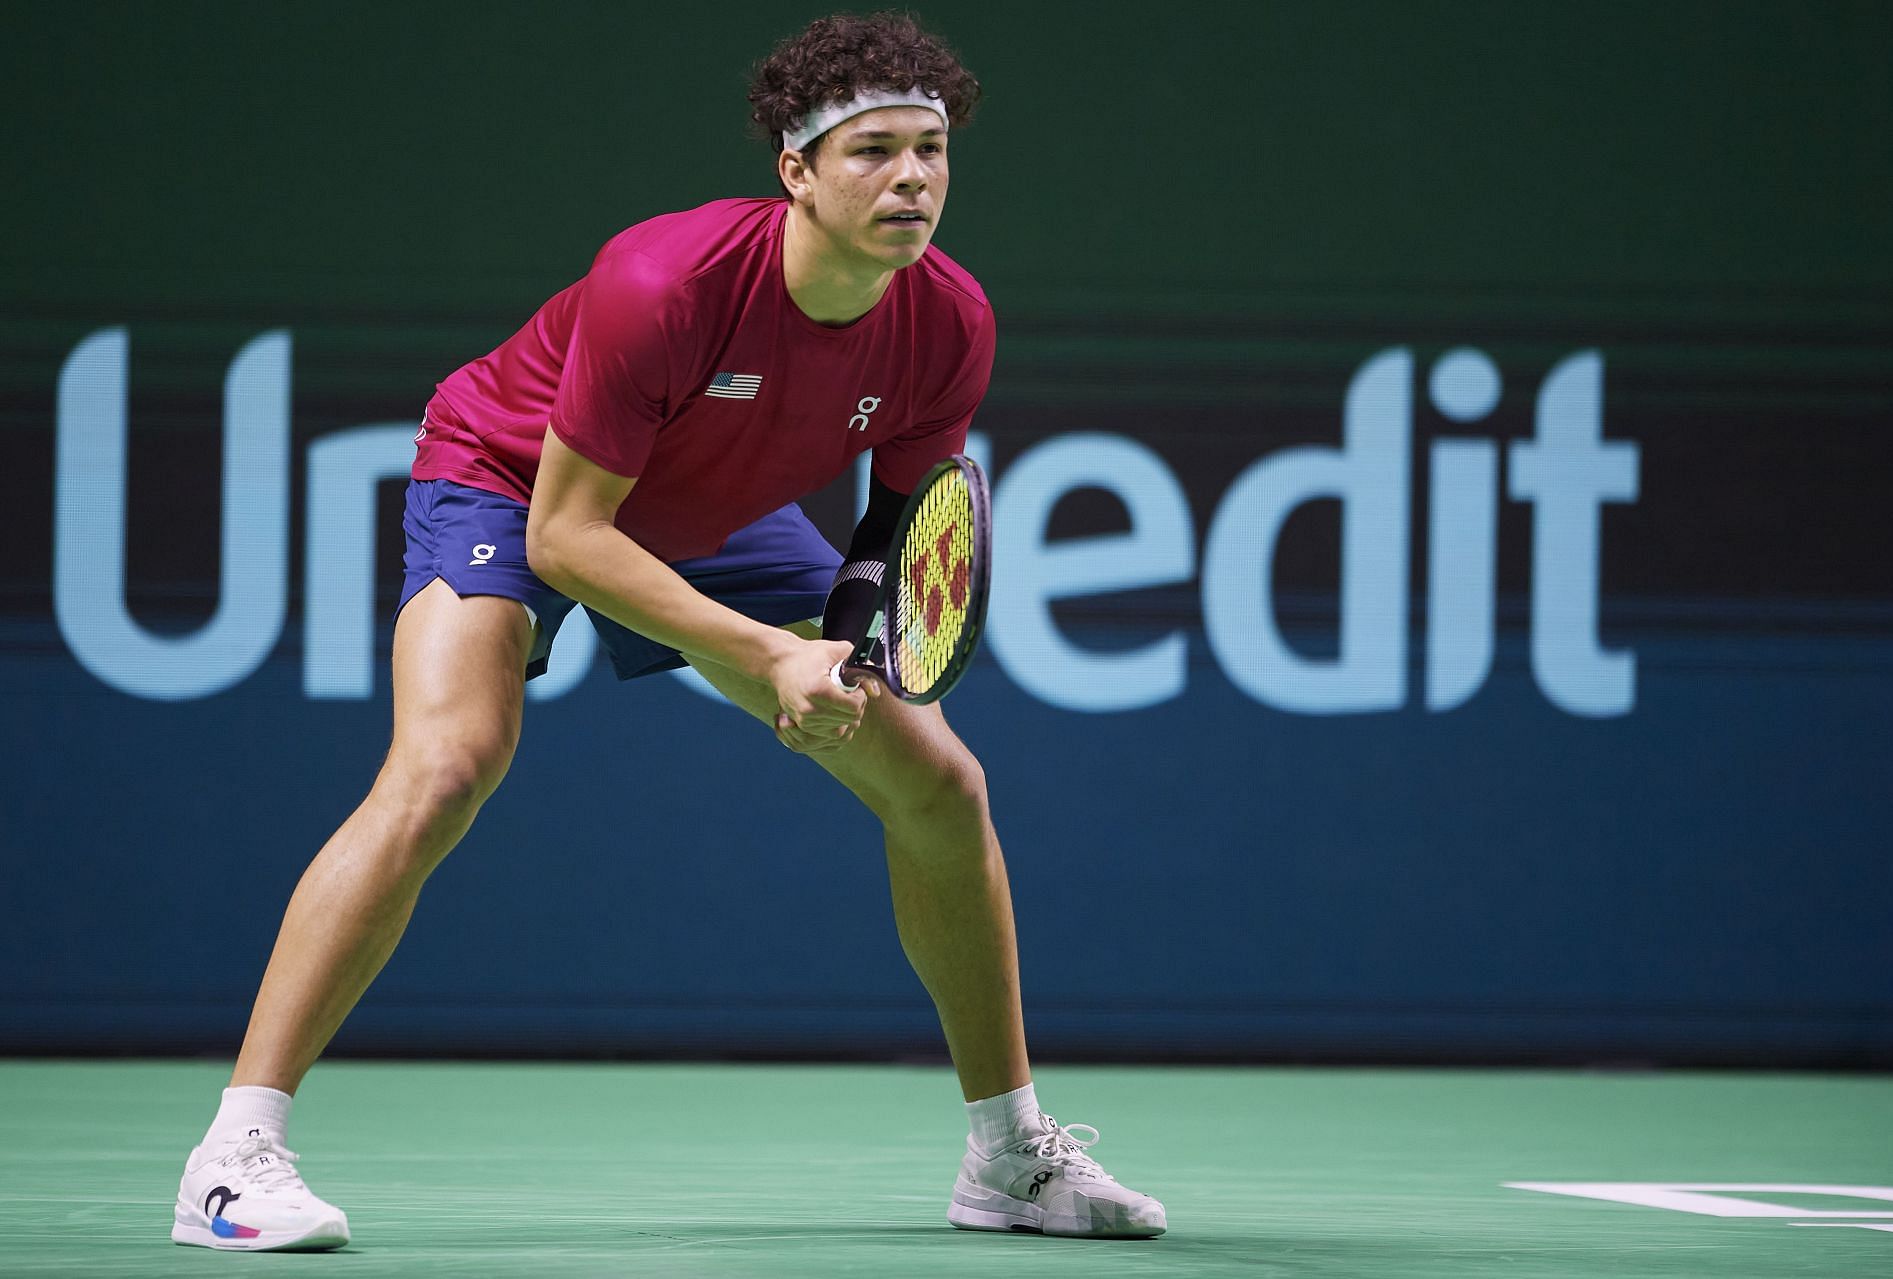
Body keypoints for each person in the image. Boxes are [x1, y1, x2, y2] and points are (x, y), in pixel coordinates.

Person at [170, 11, 1165, 1252]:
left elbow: (892, 524)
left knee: (941, 781)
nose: (912, 177)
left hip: (717, 513)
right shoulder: (669, 281)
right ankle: (234, 1153)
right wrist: (763, 655)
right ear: (796, 171)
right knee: (446, 765)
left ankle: (1009, 1155)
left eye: (932, 149)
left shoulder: (950, 320)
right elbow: (569, 540)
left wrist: (839, 642)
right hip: (515, 479)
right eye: (874, 152)